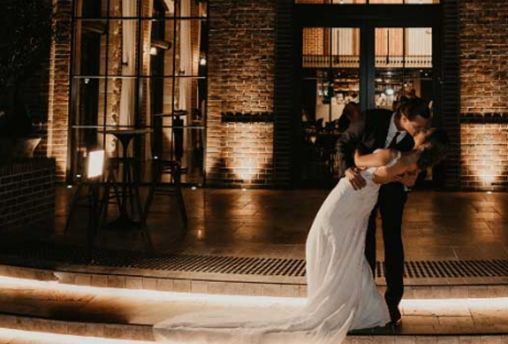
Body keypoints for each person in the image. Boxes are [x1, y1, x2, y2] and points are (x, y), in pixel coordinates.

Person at [153, 130, 448, 343]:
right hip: (352, 205)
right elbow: (375, 168)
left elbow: (363, 163)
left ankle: (349, 307)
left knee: (343, 252)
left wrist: (362, 164)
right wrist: (365, 171)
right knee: (343, 253)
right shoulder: (405, 165)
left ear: (425, 146)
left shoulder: (397, 159)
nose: (419, 132)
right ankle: (353, 310)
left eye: (424, 134)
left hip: (352, 205)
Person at [335, 96, 432, 328]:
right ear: (404, 118)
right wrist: (346, 169)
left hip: (393, 190)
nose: (420, 132)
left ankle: (392, 302)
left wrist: (409, 178)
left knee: (393, 239)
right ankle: (365, 298)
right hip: (363, 186)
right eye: (416, 126)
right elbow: (343, 143)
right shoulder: (370, 119)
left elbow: (418, 169)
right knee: (365, 239)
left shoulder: (414, 139)